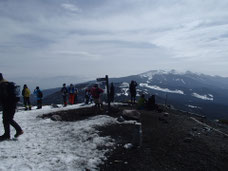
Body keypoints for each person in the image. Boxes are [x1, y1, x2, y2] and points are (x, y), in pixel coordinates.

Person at [0, 73, 24, 141]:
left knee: (7, 119)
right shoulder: (6, 83)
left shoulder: (2, 85)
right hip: (12, 104)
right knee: (6, 119)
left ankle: (18, 130)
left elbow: (3, 96)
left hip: (8, 104)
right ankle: (7, 134)